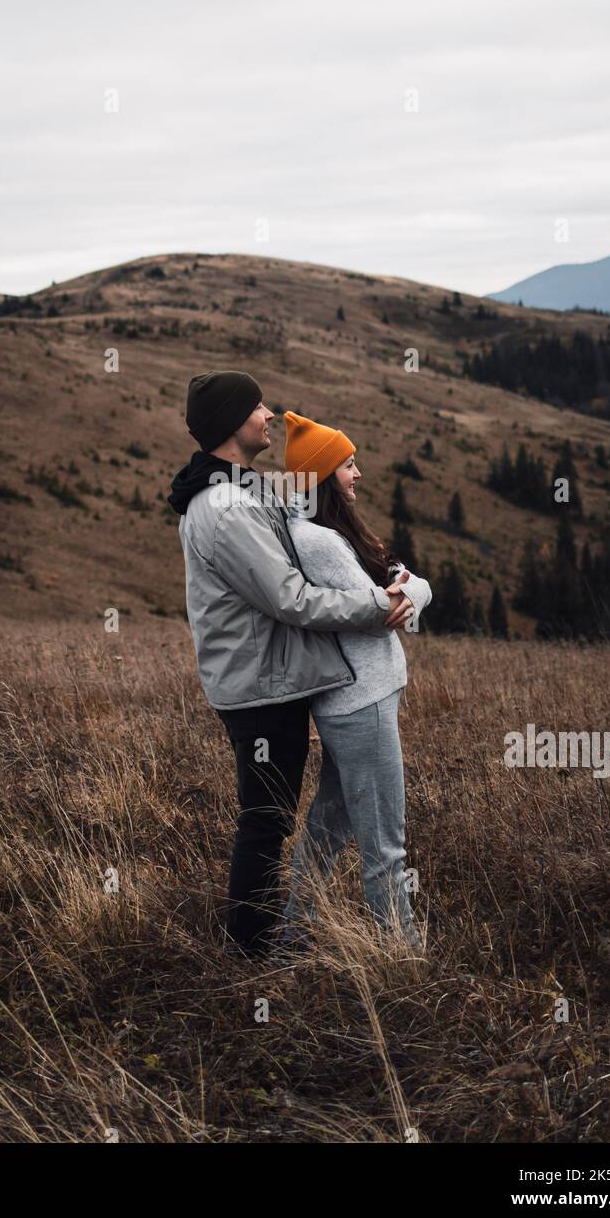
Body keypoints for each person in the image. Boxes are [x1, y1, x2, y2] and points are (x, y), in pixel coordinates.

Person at [167, 370, 417, 956]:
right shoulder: (226, 508)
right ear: (233, 422)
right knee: (266, 820)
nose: (269, 415)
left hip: (270, 678)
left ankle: (280, 933)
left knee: (280, 816)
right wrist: (379, 605)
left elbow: (308, 515)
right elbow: (290, 598)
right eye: (257, 407)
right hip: (259, 687)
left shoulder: (241, 489)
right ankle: (253, 952)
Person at [280, 410, 432, 951]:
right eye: (348, 465)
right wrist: (406, 593)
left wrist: (412, 592)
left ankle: (291, 933)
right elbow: (380, 603)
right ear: (322, 476)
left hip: (359, 700)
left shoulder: (332, 531)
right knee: (385, 844)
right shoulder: (318, 542)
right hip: (359, 703)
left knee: (327, 829)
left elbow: (407, 585)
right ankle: (403, 957)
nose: (358, 473)